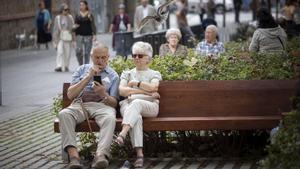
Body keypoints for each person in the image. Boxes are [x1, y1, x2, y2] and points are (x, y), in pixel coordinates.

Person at [58, 43, 119, 169]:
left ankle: (100, 155)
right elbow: (70, 95)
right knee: (64, 114)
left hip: (102, 106)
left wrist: (103, 94)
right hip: (80, 104)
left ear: (108, 57)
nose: (100, 61)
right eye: (97, 57)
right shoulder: (82, 69)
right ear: (91, 56)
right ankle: (74, 157)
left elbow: (114, 103)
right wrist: (88, 77)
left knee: (110, 118)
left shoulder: (113, 75)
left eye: (103, 57)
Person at [115, 41, 162, 168]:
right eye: (134, 55)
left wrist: (136, 83)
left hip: (150, 106)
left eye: (140, 56)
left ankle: (122, 134)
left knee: (135, 102)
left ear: (148, 58)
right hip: (128, 105)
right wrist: (144, 91)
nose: (136, 58)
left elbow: (154, 87)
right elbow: (122, 91)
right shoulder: (127, 73)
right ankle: (140, 155)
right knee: (137, 117)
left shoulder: (154, 73)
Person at [53, 3, 74, 72]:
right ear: (61, 10)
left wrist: (74, 39)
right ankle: (59, 66)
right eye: (65, 9)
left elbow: (72, 28)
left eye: (67, 9)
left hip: (68, 37)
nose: (67, 11)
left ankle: (66, 65)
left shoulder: (70, 17)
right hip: (60, 37)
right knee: (60, 51)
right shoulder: (58, 18)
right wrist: (55, 41)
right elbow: (55, 29)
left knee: (67, 53)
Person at [74, 0, 97, 66]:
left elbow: (93, 25)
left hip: (88, 35)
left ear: (86, 6)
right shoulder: (77, 14)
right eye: (80, 5)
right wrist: (73, 34)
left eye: (82, 5)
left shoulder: (89, 14)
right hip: (79, 35)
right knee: (78, 51)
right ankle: (81, 65)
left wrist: (94, 35)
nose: (81, 6)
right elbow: (75, 25)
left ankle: (86, 66)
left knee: (87, 52)